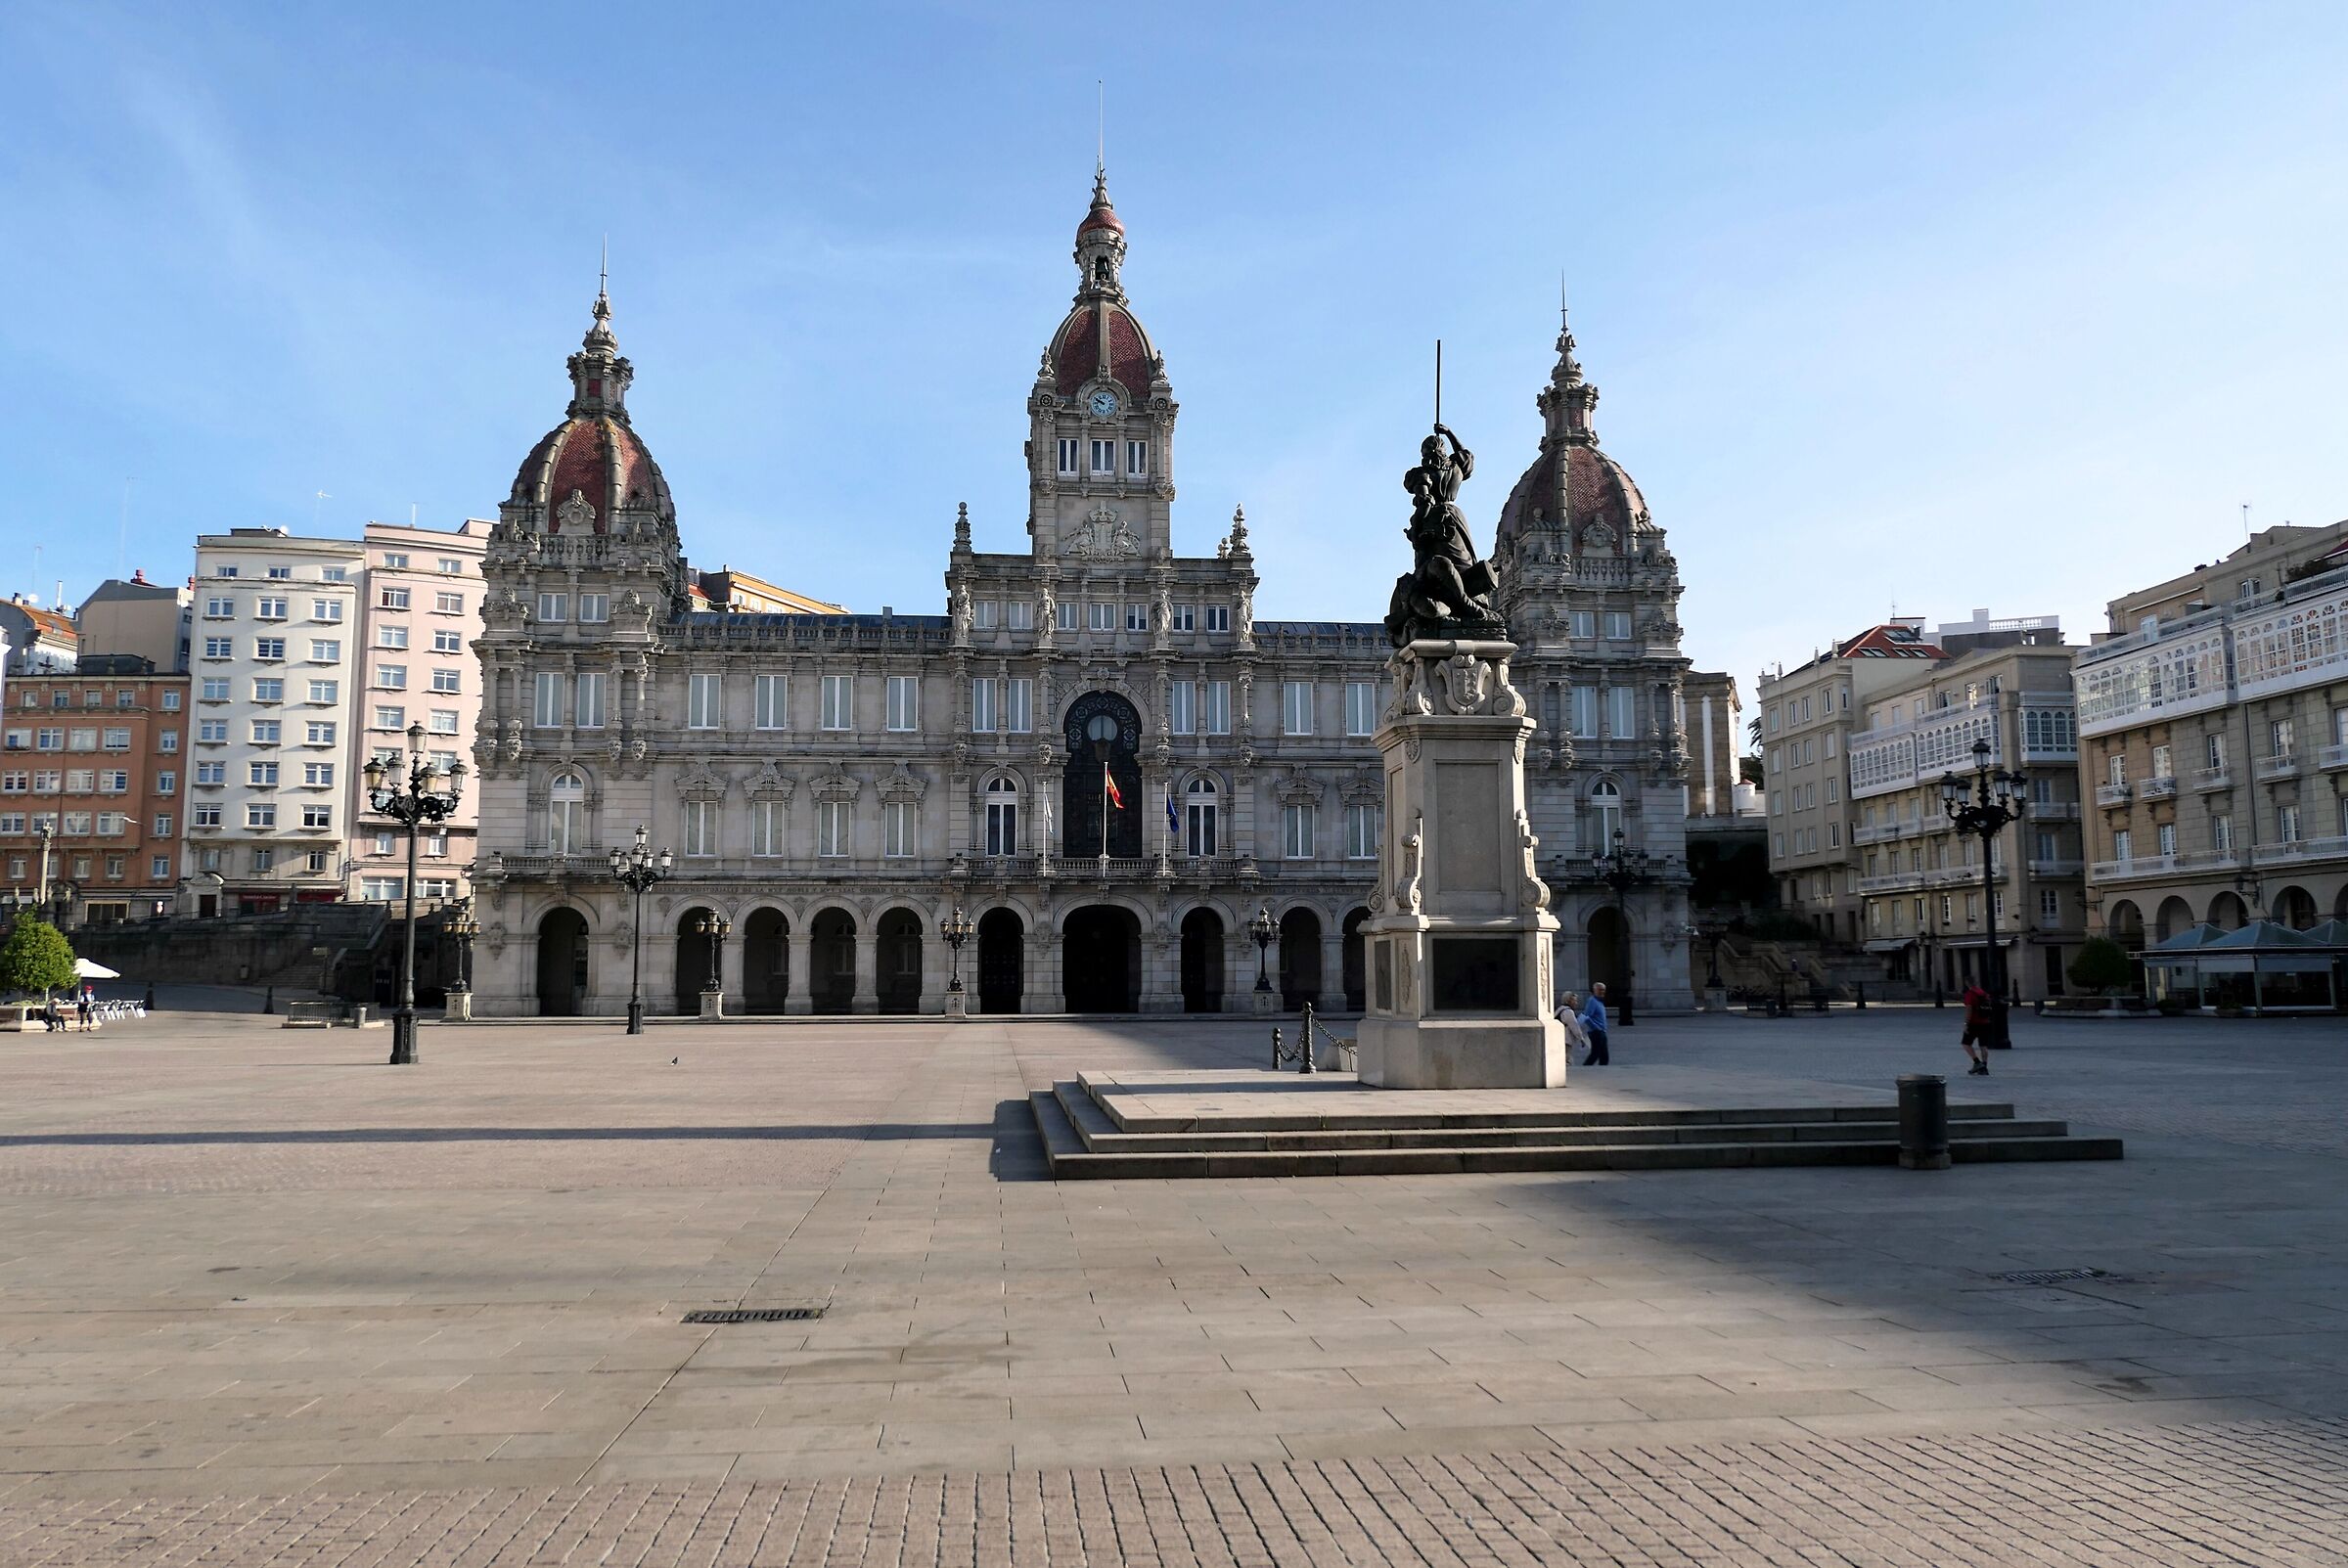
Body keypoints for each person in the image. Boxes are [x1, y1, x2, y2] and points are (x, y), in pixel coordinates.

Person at [1960, 982, 1992, 1075]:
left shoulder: (1970, 994)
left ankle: (1977, 1062)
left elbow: (1969, 1009)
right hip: (1985, 1022)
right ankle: (1984, 1067)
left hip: (1974, 1023)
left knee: (1966, 1044)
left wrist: (1966, 1023)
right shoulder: (1983, 993)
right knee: (1983, 1046)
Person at [1579, 983, 1610, 1066]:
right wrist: (1595, 1027)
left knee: (1603, 1056)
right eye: (1600, 990)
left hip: (1602, 1032)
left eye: (1603, 990)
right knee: (1596, 1054)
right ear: (1594, 990)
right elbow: (1586, 1016)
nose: (1602, 992)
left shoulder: (1599, 1002)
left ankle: (1602, 1072)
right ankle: (1585, 1069)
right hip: (1596, 1032)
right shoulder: (1592, 1001)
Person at [1557, 991, 1591, 1065]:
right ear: (1568, 1001)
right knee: (1566, 1060)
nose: (1576, 1003)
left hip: (1559, 1038)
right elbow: (1574, 1027)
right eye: (1574, 1000)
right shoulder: (1568, 1012)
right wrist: (1581, 1039)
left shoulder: (1560, 1009)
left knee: (1564, 1058)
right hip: (1565, 1039)